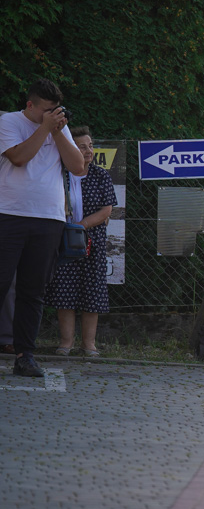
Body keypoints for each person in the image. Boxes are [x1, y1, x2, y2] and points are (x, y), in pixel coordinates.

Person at [0, 78, 85, 377]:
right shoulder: (8, 122)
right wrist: (45, 128)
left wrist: (57, 131)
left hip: (48, 218)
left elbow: (78, 167)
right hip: (8, 214)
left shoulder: (57, 129)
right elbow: (20, 158)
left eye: (57, 111)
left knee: (32, 291)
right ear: (30, 105)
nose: (54, 116)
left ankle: (25, 355)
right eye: (47, 111)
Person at [44, 126, 117, 357]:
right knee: (64, 292)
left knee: (91, 293)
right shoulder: (59, 173)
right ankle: (66, 343)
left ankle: (89, 345)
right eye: (81, 147)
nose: (88, 151)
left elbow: (107, 210)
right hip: (62, 241)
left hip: (91, 242)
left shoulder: (100, 175)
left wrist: (81, 226)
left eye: (90, 146)